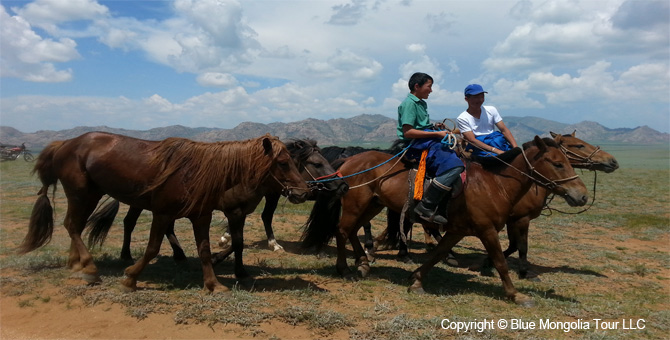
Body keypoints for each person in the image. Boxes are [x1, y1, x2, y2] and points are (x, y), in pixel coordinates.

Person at [397, 72, 464, 224]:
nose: (431, 90)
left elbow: (419, 125)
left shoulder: (421, 103)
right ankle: (427, 206)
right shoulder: (409, 104)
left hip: (427, 138)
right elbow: (408, 131)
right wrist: (438, 134)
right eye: (429, 86)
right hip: (417, 144)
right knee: (454, 166)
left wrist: (434, 127)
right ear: (417, 86)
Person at [457, 84, 518, 157]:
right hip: (480, 148)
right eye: (476, 97)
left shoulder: (491, 110)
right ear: (466, 99)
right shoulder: (462, 118)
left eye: (482, 97)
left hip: (497, 142)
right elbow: (472, 140)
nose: (479, 100)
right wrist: (495, 150)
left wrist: (516, 148)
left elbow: (504, 130)